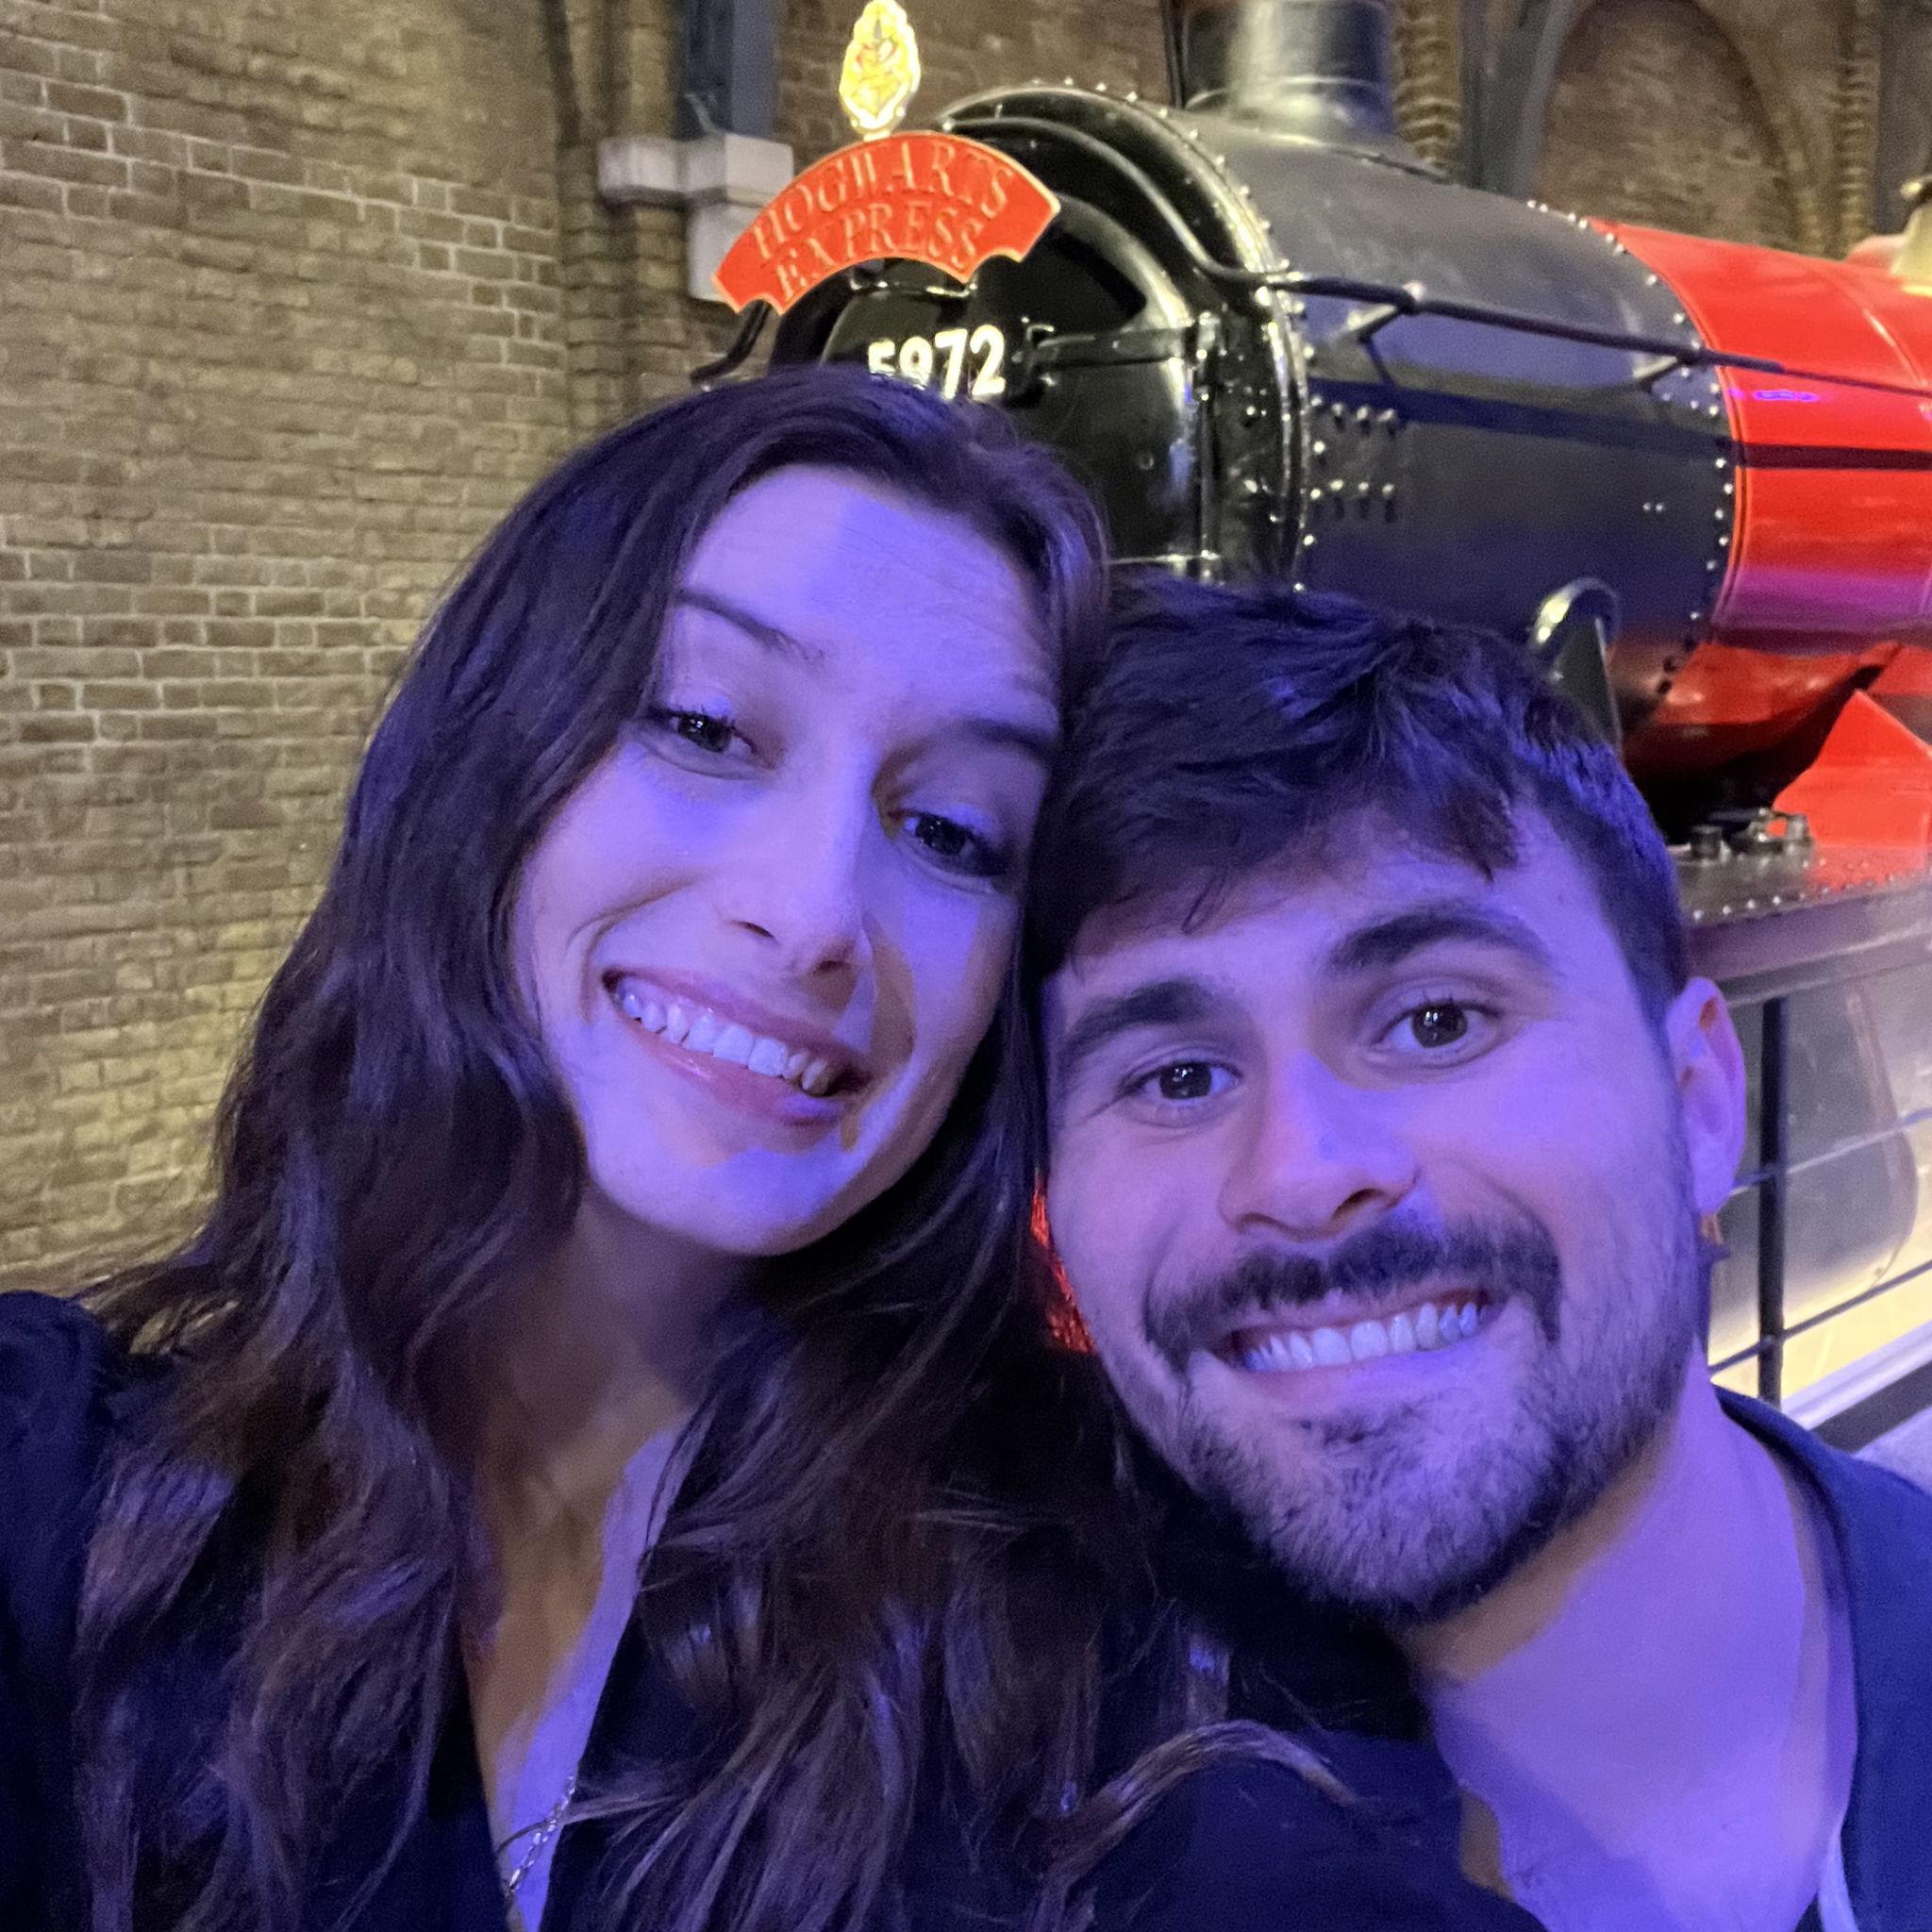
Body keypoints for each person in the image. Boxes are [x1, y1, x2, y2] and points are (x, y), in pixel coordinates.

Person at [0, 371, 1546, 1932]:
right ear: (487, 764)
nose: (812, 916)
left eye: (951, 833)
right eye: (705, 728)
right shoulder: (59, 1491)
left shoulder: (1134, 1641)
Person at [1030, 573, 1932, 1932]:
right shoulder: (965, 1829)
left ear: (1697, 1099)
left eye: (1437, 1021)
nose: (1302, 1174)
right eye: (1175, 1076)